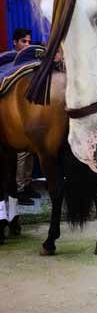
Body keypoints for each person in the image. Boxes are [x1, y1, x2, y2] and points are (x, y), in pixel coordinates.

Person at [9, 28, 40, 205]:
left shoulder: (29, 62)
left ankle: (27, 184)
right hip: (15, 117)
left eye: (29, 42)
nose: (27, 45)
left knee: (29, 151)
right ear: (15, 42)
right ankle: (19, 189)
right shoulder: (10, 62)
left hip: (28, 114)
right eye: (23, 42)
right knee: (21, 153)